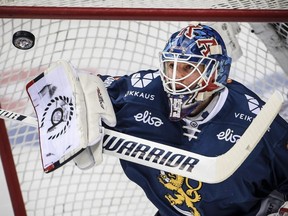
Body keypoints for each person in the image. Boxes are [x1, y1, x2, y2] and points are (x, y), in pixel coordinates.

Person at [96, 24, 288, 216]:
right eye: (171, 66)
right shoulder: (140, 92)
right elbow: (86, 89)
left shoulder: (259, 124)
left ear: (216, 71)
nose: (175, 78)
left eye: (188, 67)